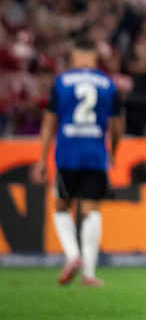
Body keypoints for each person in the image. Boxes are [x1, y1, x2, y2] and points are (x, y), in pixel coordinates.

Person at [32, 36, 124, 287]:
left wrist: (42, 158)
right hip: (95, 153)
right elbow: (116, 126)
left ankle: (73, 256)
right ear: (94, 56)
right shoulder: (107, 83)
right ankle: (89, 274)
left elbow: (49, 122)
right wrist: (113, 150)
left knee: (62, 206)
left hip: (67, 152)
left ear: (74, 56)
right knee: (91, 210)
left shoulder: (62, 82)